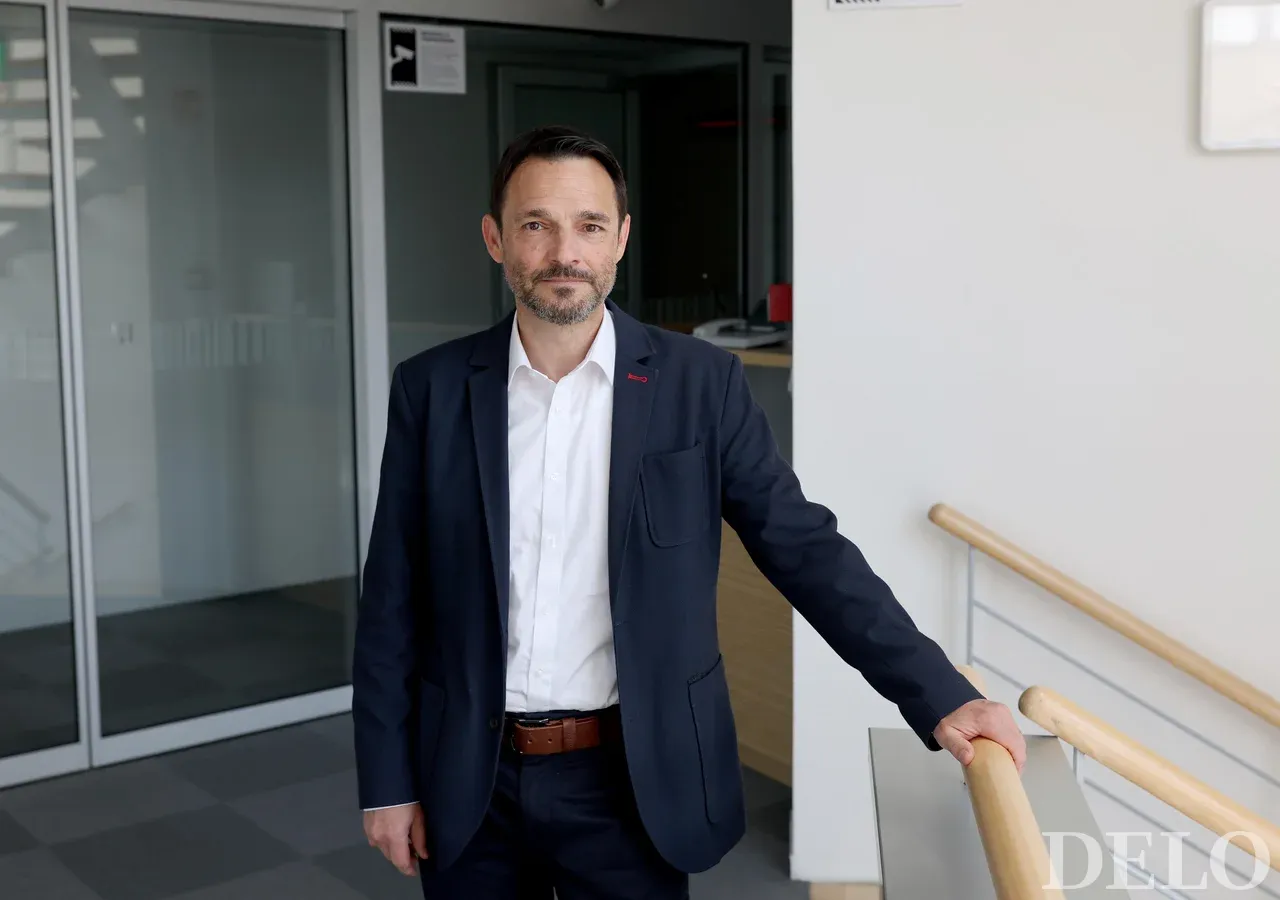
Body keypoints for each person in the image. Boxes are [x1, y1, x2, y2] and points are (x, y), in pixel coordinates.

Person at [353, 125, 1026, 900]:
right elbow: (392, 597)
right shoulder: (432, 389)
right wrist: (386, 780)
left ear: (620, 240)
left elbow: (803, 547)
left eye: (589, 226)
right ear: (495, 239)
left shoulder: (701, 384)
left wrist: (939, 692)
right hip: (469, 774)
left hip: (634, 778)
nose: (565, 252)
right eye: (536, 225)